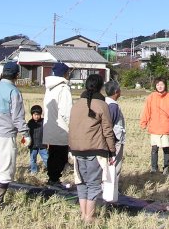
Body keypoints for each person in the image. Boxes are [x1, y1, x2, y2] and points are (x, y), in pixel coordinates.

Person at [68, 74, 116, 224]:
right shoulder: (102, 105)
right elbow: (108, 130)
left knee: (81, 182)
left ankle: (84, 215)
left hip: (76, 149)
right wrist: (112, 151)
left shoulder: (76, 104)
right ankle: (90, 217)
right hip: (95, 149)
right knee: (94, 184)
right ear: (101, 87)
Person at [0, 62, 31, 205]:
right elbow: (17, 117)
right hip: (6, 135)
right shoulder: (14, 91)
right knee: (6, 169)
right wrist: (25, 133)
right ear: (17, 75)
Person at [140, 78, 169, 175]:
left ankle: (166, 168)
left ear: (165, 85)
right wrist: (143, 122)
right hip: (154, 127)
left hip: (166, 126)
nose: (160, 86)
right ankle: (154, 168)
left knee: (166, 148)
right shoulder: (151, 97)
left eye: (161, 84)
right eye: (158, 84)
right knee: (154, 148)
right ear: (155, 86)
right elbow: (146, 111)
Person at [43, 62, 73, 187]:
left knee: (53, 155)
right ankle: (55, 180)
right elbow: (67, 111)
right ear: (65, 74)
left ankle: (52, 179)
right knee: (60, 156)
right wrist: (71, 126)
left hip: (50, 127)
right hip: (61, 128)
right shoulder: (63, 89)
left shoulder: (49, 88)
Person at [105, 79, 126, 192]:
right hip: (115, 140)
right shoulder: (113, 106)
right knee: (114, 166)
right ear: (116, 91)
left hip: (110, 140)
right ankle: (112, 190)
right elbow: (109, 124)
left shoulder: (105, 102)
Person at [28, 105, 48, 174]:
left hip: (42, 145)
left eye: (38, 114)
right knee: (32, 159)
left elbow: (47, 132)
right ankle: (34, 171)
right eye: (35, 114)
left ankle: (50, 170)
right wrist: (25, 140)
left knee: (46, 158)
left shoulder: (43, 122)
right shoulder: (30, 123)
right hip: (33, 145)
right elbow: (27, 133)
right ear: (32, 114)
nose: (36, 116)